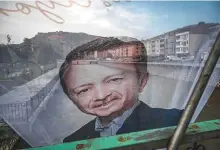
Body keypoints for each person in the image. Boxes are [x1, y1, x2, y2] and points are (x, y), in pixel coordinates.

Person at [60, 37, 183, 143]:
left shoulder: (179, 122)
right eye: (84, 90)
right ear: (71, 97)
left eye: (114, 80)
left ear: (141, 81)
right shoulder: (73, 141)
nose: (101, 95)